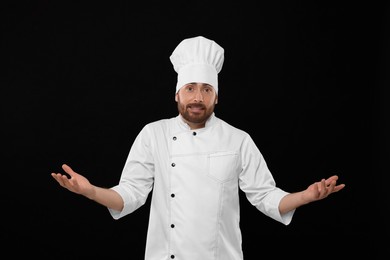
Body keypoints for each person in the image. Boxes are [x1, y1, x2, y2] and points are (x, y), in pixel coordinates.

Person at [51, 36, 345, 260]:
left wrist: (305, 196)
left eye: (207, 89)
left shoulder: (237, 140)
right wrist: (90, 191)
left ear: (216, 97)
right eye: (190, 88)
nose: (197, 97)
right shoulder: (154, 134)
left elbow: (266, 196)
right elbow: (129, 195)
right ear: (177, 94)